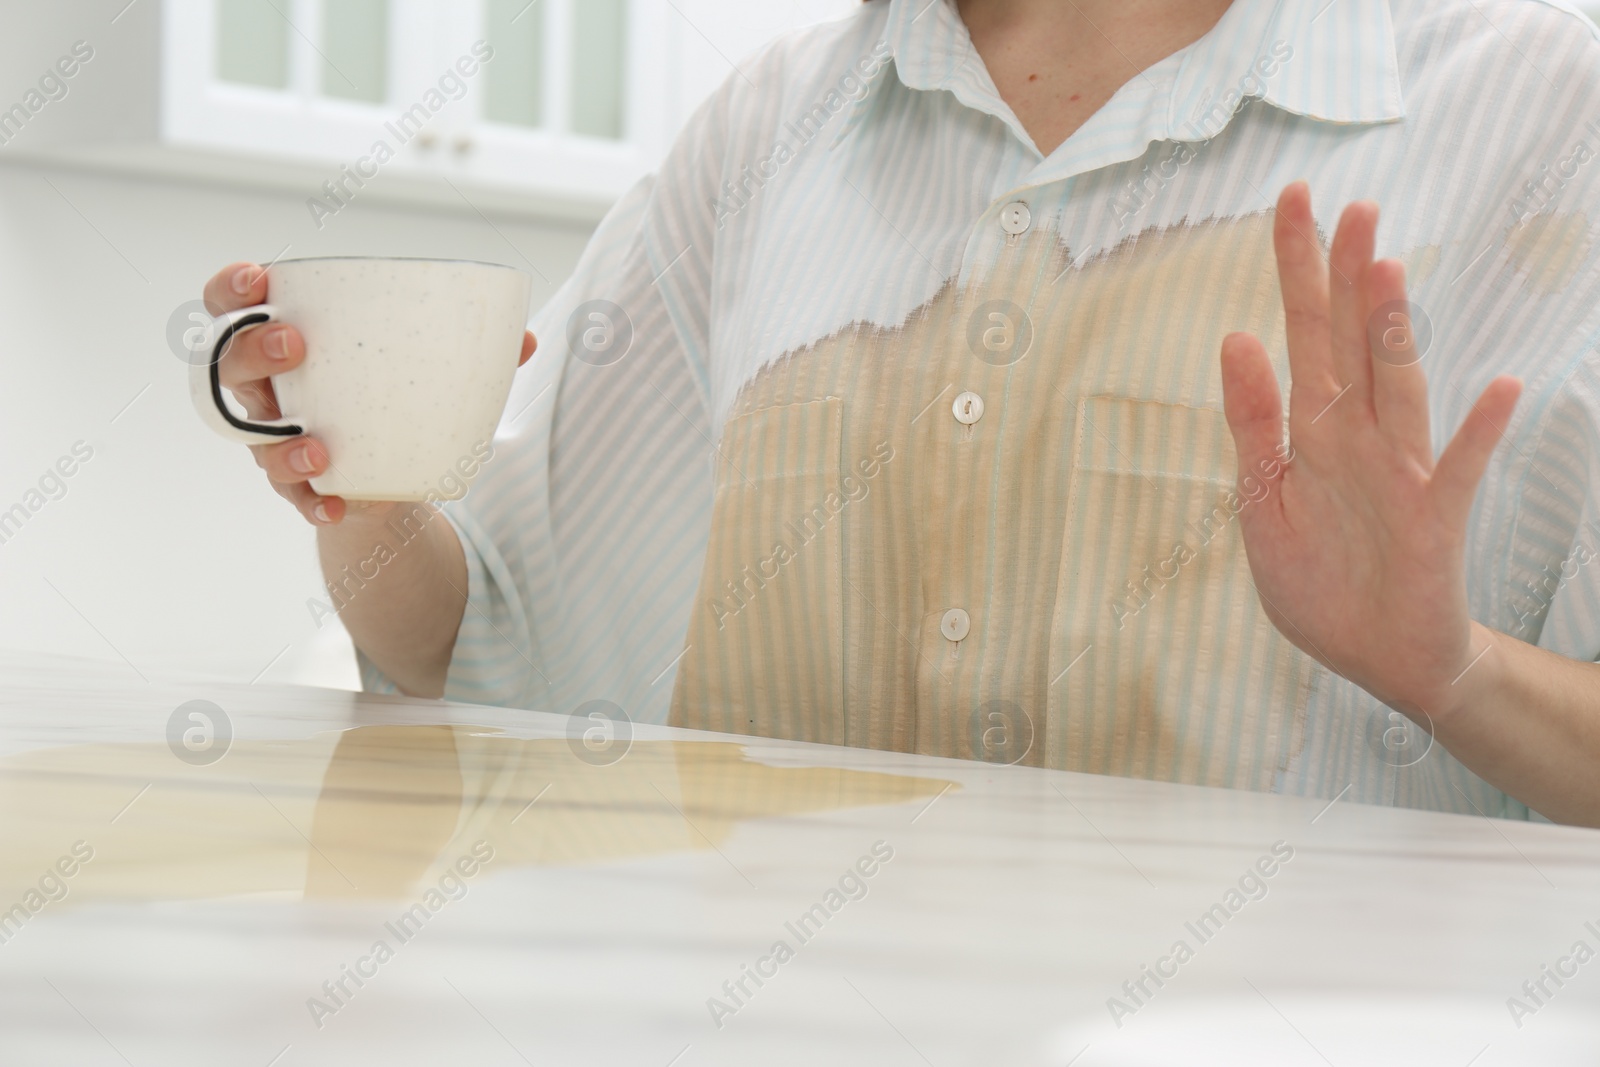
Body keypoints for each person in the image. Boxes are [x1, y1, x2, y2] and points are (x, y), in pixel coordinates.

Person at [201, 0, 1600, 825]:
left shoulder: (1549, 118)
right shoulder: (767, 131)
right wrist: (359, 490)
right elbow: (480, 647)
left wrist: (1453, 670)